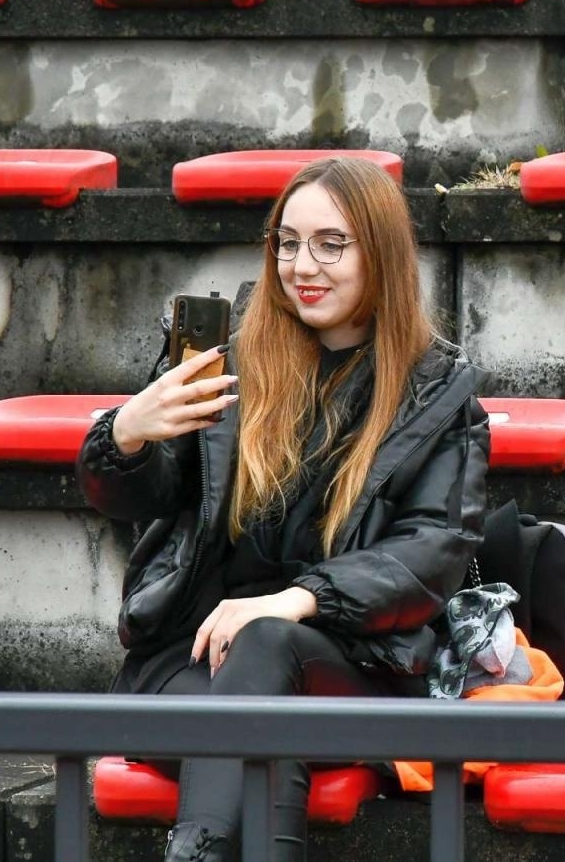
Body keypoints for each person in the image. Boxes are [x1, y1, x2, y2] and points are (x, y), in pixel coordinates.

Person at [77, 157, 489, 862]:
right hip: (195, 658)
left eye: (332, 244)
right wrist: (126, 434)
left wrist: (295, 601)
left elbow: (432, 551)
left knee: (265, 660)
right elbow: (138, 496)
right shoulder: (232, 368)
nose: (304, 265)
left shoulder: (438, 398)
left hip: (355, 662)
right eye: (288, 243)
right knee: (256, 732)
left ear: (380, 255)